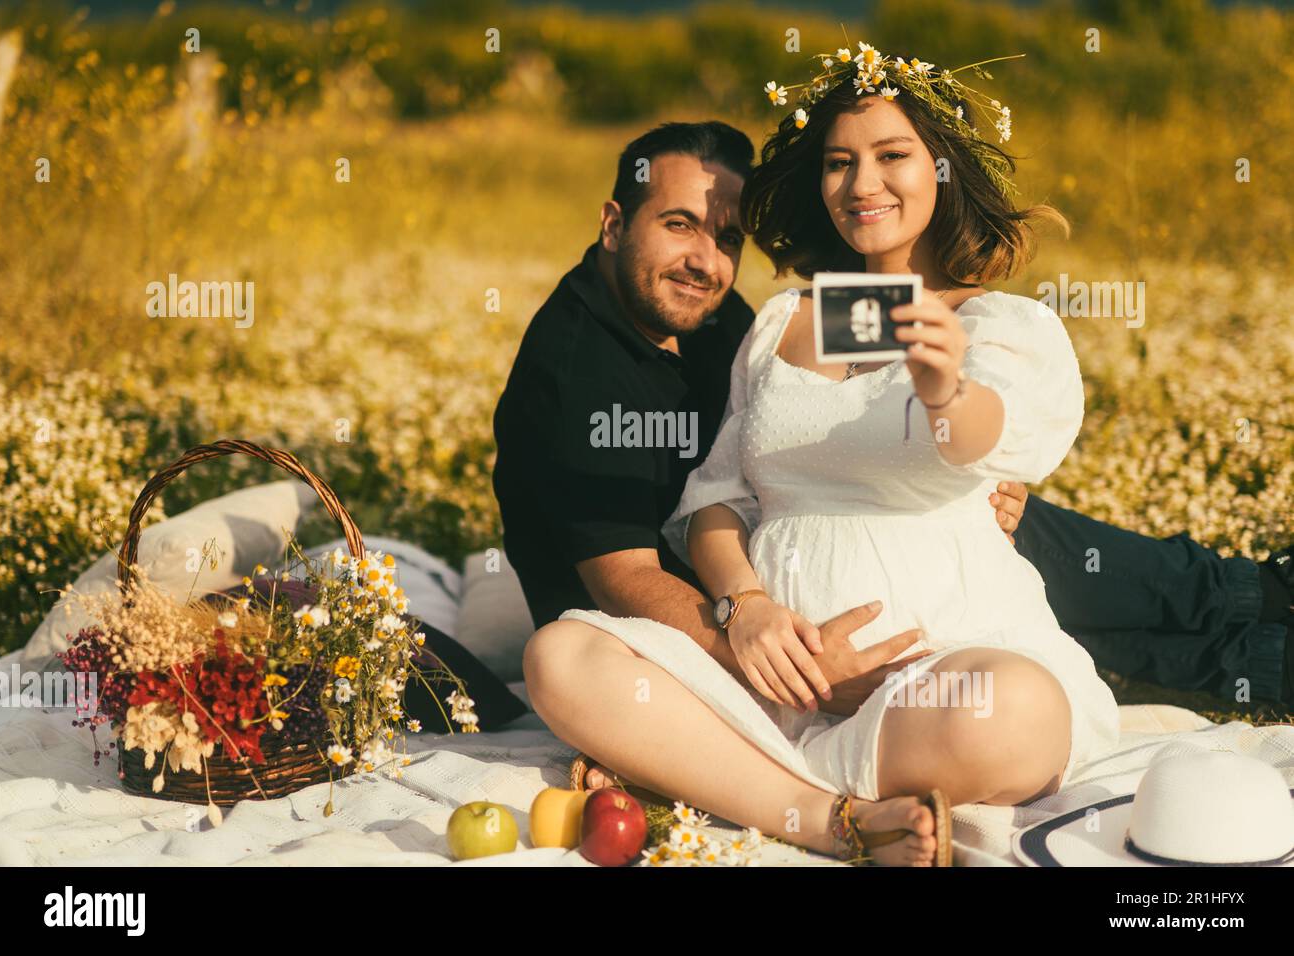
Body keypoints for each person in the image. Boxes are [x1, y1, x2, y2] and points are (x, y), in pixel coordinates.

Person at [492, 63, 1294, 864]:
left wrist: (947, 393)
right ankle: (818, 811)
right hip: (765, 671)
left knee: (1014, 710)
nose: (861, 182)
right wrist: (748, 612)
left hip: (926, 671)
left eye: (892, 156)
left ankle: (716, 771)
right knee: (559, 658)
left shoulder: (997, 322)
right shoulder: (776, 324)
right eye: (839, 162)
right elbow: (716, 499)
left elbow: (994, 428)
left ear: (941, 170)